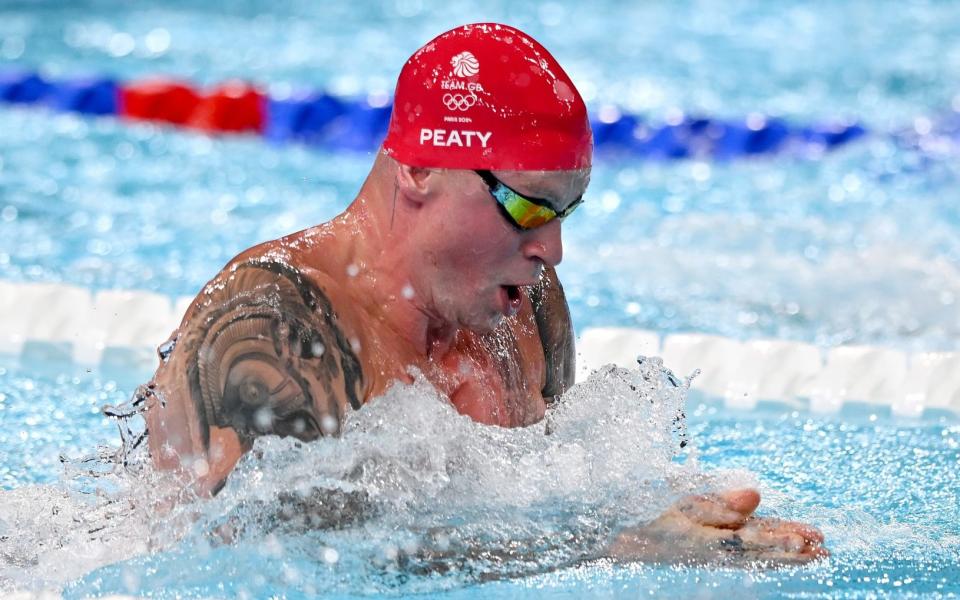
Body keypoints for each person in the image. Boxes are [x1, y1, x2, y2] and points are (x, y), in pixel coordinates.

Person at [141, 23, 827, 565]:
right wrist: (612, 542)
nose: (550, 249)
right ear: (419, 168)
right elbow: (276, 559)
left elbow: (538, 504)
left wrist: (676, 521)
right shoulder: (272, 322)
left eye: (566, 212)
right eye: (529, 208)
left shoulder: (524, 307)